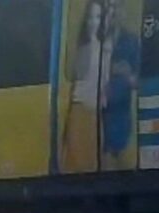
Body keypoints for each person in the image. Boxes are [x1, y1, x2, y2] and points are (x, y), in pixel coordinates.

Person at [61, 0, 109, 173]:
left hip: (96, 117)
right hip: (79, 114)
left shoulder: (107, 49)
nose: (92, 22)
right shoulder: (80, 50)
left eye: (97, 17)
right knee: (77, 168)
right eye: (89, 18)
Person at [101, 0, 139, 171]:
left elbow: (139, 81)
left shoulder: (132, 42)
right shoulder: (94, 41)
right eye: (111, 8)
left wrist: (125, 73)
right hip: (97, 115)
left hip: (121, 118)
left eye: (118, 7)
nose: (115, 12)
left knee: (122, 172)